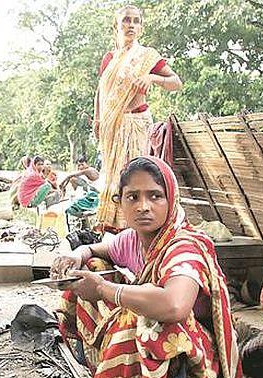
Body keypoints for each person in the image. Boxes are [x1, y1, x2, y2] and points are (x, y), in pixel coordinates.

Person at [51, 157, 243, 378]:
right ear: (121, 202)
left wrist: (104, 289)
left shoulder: (184, 245)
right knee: (87, 274)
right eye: (133, 197)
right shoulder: (133, 239)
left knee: (146, 315)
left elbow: (175, 306)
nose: (143, 206)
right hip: (162, 348)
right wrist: (78, 255)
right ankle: (105, 377)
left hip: (196, 366)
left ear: (170, 200)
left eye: (155, 196)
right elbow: (96, 248)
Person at [94, 5, 182, 232]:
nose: (131, 24)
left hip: (136, 125)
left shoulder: (146, 56)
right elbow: (101, 90)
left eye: (135, 21)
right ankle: (115, 232)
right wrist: (97, 120)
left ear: (141, 27)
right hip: (112, 126)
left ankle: (136, 230)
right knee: (114, 179)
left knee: (135, 176)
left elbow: (176, 82)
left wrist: (152, 78)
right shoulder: (110, 59)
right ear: (117, 25)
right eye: (126, 20)